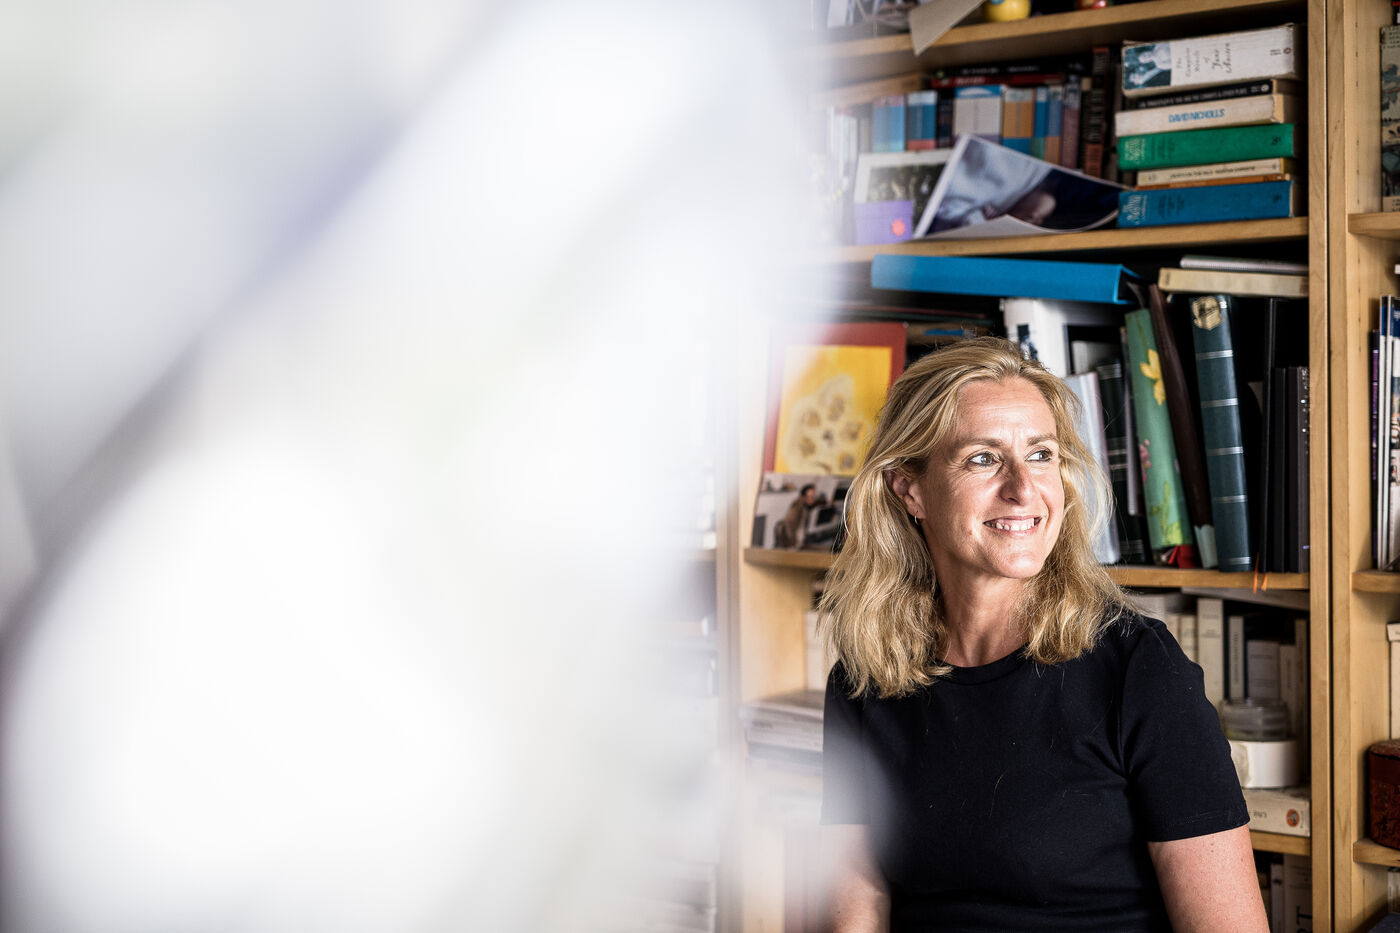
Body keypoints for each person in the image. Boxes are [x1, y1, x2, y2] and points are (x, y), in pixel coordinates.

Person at [817, 337, 1266, 932]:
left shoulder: (1138, 668)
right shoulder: (866, 677)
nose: (1023, 489)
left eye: (1041, 454)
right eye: (983, 458)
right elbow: (857, 904)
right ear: (909, 489)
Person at [774, 482, 827, 548]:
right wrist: (793, 544)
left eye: (814, 496)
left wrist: (827, 502)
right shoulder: (797, 507)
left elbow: (817, 502)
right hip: (792, 543)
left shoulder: (807, 503)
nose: (813, 499)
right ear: (803, 496)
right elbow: (790, 527)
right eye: (810, 496)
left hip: (800, 540)